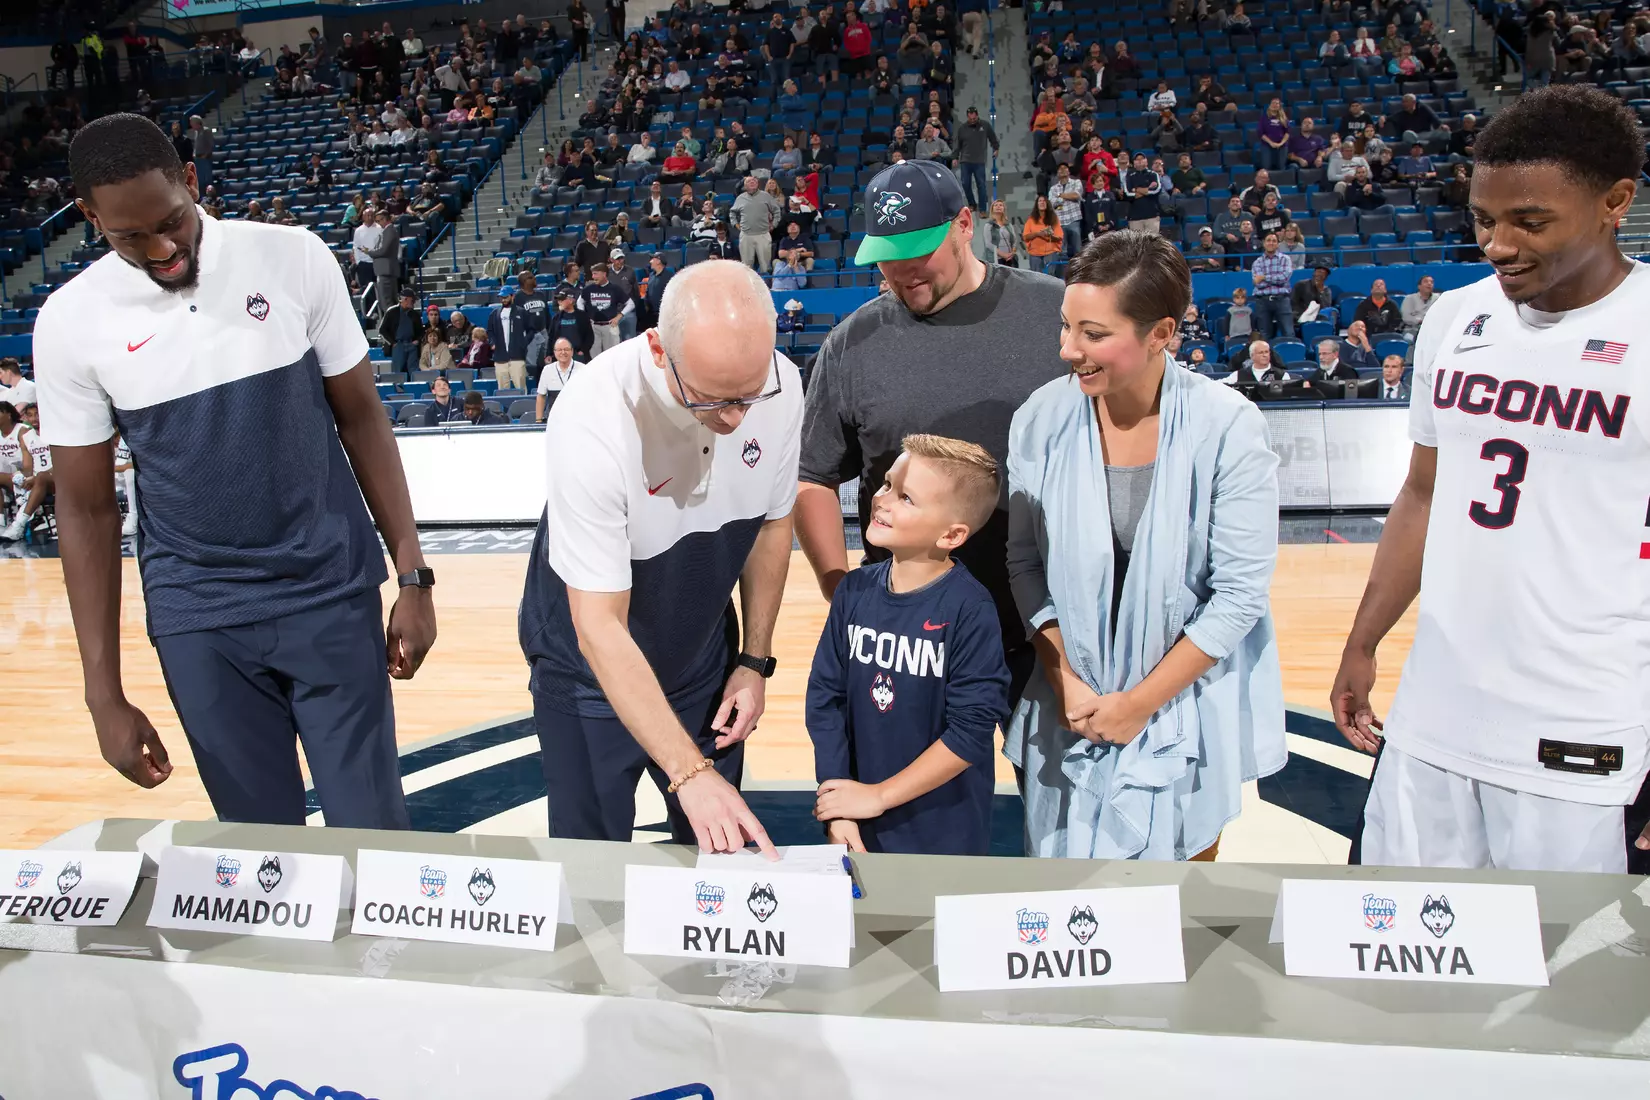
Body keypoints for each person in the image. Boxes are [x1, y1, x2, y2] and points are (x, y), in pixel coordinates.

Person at [33, 113, 433, 827]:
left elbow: (363, 417)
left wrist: (412, 573)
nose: (163, 249)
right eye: (131, 237)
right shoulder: (69, 322)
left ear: (191, 182)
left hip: (327, 589)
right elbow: (87, 509)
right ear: (91, 219)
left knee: (375, 838)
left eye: (172, 222)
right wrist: (103, 693)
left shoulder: (294, 256)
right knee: (262, 854)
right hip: (199, 613)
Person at [1331, 86, 1650, 873]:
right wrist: (1364, 640)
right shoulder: (1457, 318)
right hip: (1436, 709)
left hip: (1583, 725)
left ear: (1616, 202)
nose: (1498, 244)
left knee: (1569, 980)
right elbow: (1424, 492)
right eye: (1483, 219)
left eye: (1530, 222)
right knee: (1401, 959)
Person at [1006, 232, 1284, 858]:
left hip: (1179, 707)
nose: (1068, 349)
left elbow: (1238, 596)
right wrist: (1066, 680)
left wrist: (1137, 704)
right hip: (1068, 703)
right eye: (1066, 327)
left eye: (1093, 334)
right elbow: (1024, 564)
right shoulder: (1040, 417)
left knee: (1175, 912)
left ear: (1161, 332)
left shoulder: (1230, 426)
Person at [519, 261, 803, 853]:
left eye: (751, 395)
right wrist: (689, 771)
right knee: (592, 871)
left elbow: (773, 525)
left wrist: (753, 661)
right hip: (588, 678)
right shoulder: (592, 418)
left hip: (700, 664)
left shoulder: (782, 383)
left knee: (721, 868)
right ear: (655, 348)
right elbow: (598, 628)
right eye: (711, 399)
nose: (735, 418)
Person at [797, 160, 1067, 707]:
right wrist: (838, 588)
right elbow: (813, 477)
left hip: (1047, 626)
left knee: (1056, 792)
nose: (903, 272)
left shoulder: (1054, 311)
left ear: (965, 225)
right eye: (888, 257)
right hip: (907, 642)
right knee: (906, 793)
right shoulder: (852, 343)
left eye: (918, 251)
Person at [807, 435, 1011, 854]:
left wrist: (879, 796)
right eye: (885, 484)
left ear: (952, 534)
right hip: (854, 820)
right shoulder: (854, 591)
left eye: (906, 498)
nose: (882, 500)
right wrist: (837, 801)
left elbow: (971, 734)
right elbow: (825, 700)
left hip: (941, 830)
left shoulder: (971, 609)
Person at [487, 285, 533, 391]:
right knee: (502, 389)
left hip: (517, 357)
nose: (503, 300)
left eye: (506, 297)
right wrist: (492, 342)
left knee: (520, 388)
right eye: (501, 297)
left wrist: (523, 343)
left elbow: (531, 329)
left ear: (512, 296)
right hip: (500, 358)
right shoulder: (494, 314)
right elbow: (490, 331)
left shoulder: (521, 312)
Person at [731, 176, 781, 272]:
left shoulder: (766, 196)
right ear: (745, 186)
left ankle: (766, 285)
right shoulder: (740, 198)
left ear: (758, 183)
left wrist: (774, 224)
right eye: (749, 181)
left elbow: (777, 211)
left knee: (765, 266)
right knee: (746, 267)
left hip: (763, 234)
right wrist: (736, 224)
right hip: (746, 235)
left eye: (754, 180)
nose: (752, 182)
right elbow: (732, 213)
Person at [952, 107, 998, 213]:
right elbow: (957, 144)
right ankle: (972, 203)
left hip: (979, 160)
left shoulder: (985, 125)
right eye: (970, 119)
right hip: (965, 160)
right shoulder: (962, 128)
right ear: (967, 117)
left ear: (977, 115)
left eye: (974, 118)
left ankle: (983, 209)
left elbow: (993, 137)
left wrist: (996, 148)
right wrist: (955, 157)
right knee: (965, 183)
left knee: (981, 185)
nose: (972, 120)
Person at [581, 263, 628, 358]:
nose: (593, 277)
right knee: (595, 359)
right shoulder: (589, 289)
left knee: (612, 357)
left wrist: (619, 316)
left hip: (610, 326)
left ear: (604, 274)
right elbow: (579, 302)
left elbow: (630, 304)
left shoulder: (615, 288)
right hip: (594, 327)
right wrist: (584, 317)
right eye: (592, 274)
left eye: (595, 274)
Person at [535, 337, 582, 422]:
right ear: (554, 352)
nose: (563, 352)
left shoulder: (582, 369)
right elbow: (541, 396)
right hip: (554, 420)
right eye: (559, 350)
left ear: (572, 351)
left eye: (566, 349)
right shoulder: (547, 370)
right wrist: (538, 420)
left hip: (578, 419)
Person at [378, 289, 424, 376]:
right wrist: (393, 343)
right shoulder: (391, 311)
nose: (414, 302)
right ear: (405, 299)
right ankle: (399, 389)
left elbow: (421, 331)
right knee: (398, 371)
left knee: (413, 370)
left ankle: (414, 387)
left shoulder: (415, 314)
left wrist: (417, 341)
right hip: (398, 345)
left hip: (412, 345)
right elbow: (382, 330)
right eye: (412, 300)